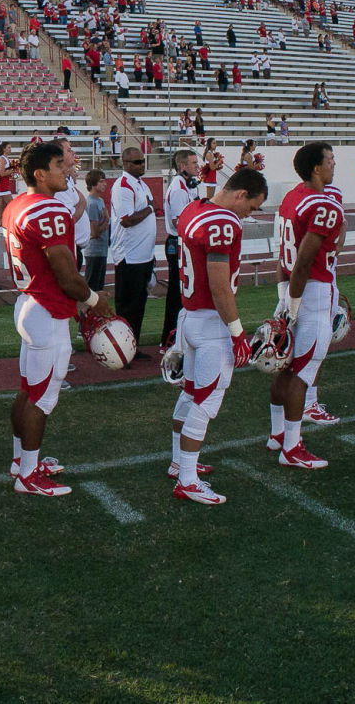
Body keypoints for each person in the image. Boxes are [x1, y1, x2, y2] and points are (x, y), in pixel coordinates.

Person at [3, 142, 112, 497]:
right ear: (40, 174)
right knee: (42, 398)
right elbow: (67, 276)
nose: (67, 170)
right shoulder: (49, 210)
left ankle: (21, 461)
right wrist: (96, 300)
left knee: (28, 390)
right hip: (46, 308)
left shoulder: (17, 204)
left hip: (29, 303)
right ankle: (29, 475)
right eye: (59, 165)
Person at [170, 168, 269, 505]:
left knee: (190, 392)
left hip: (189, 316)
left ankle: (177, 462)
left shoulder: (193, 208)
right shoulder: (223, 222)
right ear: (240, 194)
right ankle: (187, 479)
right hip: (211, 322)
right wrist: (238, 333)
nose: (249, 213)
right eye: (252, 206)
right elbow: (219, 285)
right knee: (207, 400)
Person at [269, 142, 344, 469]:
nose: (333, 164)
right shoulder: (323, 205)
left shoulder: (291, 197)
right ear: (316, 168)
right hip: (310, 294)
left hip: (291, 289)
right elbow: (303, 262)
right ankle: (292, 447)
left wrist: (284, 297)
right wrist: (295, 305)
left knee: (285, 367)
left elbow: (281, 255)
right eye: (329, 160)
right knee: (302, 373)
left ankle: (276, 435)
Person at [108, 147, 159, 343]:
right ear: (126, 164)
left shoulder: (141, 184)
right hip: (129, 255)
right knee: (128, 306)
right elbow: (126, 219)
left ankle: (133, 345)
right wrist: (149, 208)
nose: (142, 165)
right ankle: (121, 347)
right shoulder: (123, 186)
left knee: (139, 305)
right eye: (137, 162)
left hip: (143, 254)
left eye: (143, 161)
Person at [159, 148, 201, 347]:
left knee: (183, 291)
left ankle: (178, 336)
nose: (197, 166)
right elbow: (179, 222)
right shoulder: (178, 189)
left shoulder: (186, 186)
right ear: (182, 166)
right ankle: (170, 338)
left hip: (182, 243)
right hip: (178, 243)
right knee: (177, 293)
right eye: (193, 163)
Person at [82, 169, 110, 292]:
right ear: (93, 184)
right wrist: (106, 220)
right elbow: (94, 232)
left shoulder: (100, 201)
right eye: (101, 182)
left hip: (101, 250)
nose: (105, 184)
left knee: (99, 288)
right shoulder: (92, 203)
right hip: (94, 251)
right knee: (93, 288)